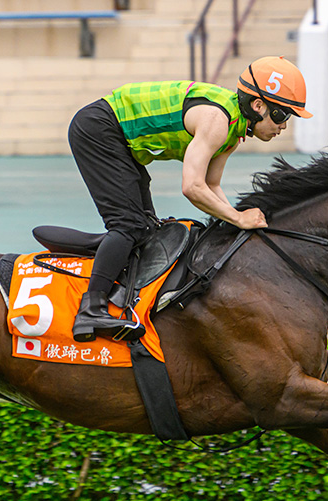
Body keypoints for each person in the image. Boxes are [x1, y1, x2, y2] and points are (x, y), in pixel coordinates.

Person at [68, 55, 313, 342]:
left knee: (146, 229)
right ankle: (90, 308)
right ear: (258, 106)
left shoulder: (233, 131)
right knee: (129, 225)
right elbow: (192, 187)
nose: (283, 127)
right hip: (100, 128)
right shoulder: (217, 121)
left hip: (118, 138)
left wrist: (239, 224)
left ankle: (115, 275)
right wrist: (237, 218)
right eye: (282, 116)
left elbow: (212, 185)